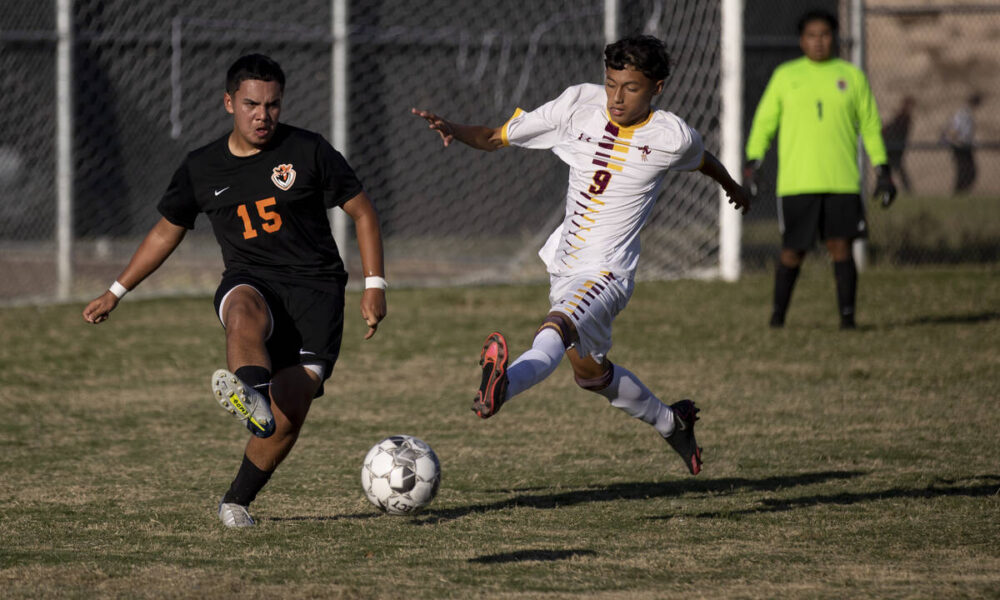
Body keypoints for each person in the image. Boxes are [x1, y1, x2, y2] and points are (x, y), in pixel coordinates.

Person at [412, 35, 750, 476]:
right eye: (611, 84)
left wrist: (732, 186)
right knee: (590, 375)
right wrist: (456, 129)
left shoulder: (672, 136)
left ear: (657, 88)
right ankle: (672, 421)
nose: (616, 97)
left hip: (608, 272)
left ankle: (499, 388)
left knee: (556, 326)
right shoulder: (578, 104)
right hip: (565, 266)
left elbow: (702, 158)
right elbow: (498, 136)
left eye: (630, 88)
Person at [82, 54, 387, 527]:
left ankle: (236, 501)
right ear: (229, 103)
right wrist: (116, 291)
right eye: (251, 104)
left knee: (290, 414)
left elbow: (363, 212)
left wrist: (375, 285)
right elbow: (167, 231)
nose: (262, 115)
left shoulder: (308, 151)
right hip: (253, 278)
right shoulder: (202, 167)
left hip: (317, 293)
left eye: (272, 105)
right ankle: (253, 397)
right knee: (242, 310)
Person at [743, 9, 897, 330]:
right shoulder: (786, 75)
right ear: (802, 40)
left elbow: (870, 125)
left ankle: (848, 320)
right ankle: (777, 319)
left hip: (841, 182)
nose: (818, 42)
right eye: (812, 36)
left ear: (835, 38)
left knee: (841, 248)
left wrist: (883, 169)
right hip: (798, 183)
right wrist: (752, 161)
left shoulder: (852, 76)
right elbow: (764, 123)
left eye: (825, 35)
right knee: (792, 251)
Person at [942, 93, 982, 194]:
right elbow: (955, 130)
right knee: (965, 170)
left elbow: (965, 132)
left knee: (967, 170)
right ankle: (958, 192)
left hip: (965, 145)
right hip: (960, 146)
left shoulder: (966, 113)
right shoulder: (963, 114)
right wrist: (954, 140)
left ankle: (960, 192)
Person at [882, 96, 915, 193]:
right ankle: (905, 189)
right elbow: (890, 128)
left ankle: (905, 188)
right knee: (896, 169)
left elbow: (895, 130)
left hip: (895, 147)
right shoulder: (901, 117)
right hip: (892, 146)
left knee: (897, 169)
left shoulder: (904, 118)